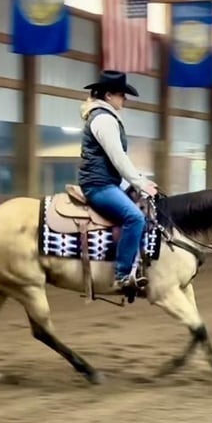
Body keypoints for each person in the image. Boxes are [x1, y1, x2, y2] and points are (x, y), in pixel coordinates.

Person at [77, 70, 159, 291]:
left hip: (105, 182)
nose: (124, 99)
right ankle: (122, 275)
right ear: (109, 96)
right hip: (98, 185)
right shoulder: (104, 119)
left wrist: (138, 182)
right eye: (122, 95)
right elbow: (118, 157)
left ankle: (137, 266)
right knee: (135, 218)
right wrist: (141, 183)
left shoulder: (105, 117)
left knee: (141, 214)